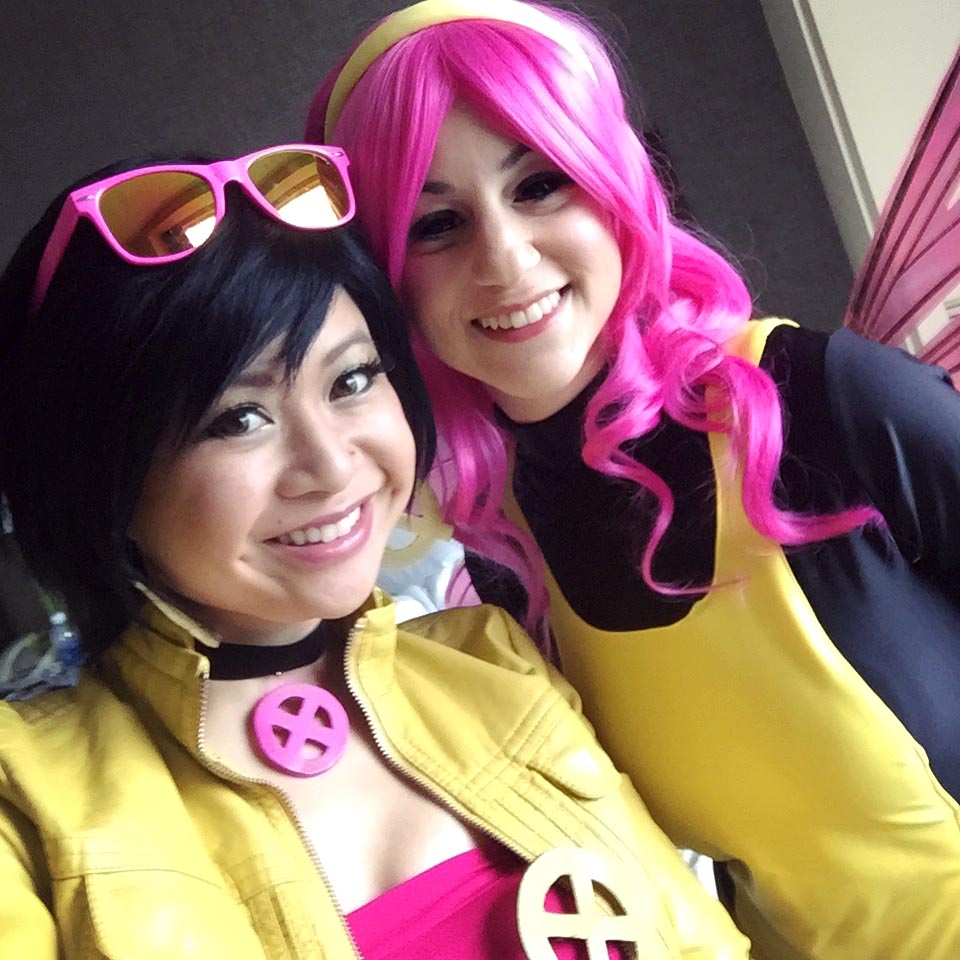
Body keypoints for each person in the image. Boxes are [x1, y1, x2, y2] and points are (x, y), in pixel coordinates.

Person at [307, 2, 960, 958]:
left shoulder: (835, 402)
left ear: (615, 186)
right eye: (437, 224)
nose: (506, 260)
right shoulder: (504, 545)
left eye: (540, 185)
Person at [0, 145, 749, 959]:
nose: (331, 467)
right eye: (238, 419)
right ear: (100, 479)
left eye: (352, 380)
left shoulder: (493, 664)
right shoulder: (26, 805)